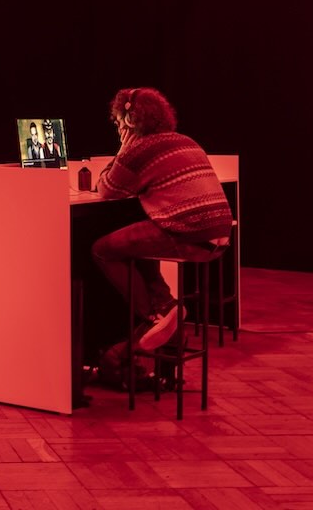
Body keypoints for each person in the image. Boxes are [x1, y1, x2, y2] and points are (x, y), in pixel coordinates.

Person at [92, 87, 233, 363]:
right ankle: (166, 306)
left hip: (190, 234)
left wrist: (123, 149)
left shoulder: (140, 150)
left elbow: (106, 189)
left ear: (130, 121)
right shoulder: (186, 141)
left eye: (120, 122)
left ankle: (153, 318)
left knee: (102, 249)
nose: (119, 128)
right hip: (220, 235)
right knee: (135, 242)